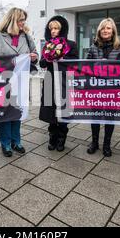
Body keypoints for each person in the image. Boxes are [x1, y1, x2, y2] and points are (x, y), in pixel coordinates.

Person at [0, 7, 38, 157]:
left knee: (17, 112)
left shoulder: (27, 37)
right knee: (4, 114)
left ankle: (17, 142)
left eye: (24, 20)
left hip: (21, 82)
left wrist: (34, 56)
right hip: (3, 82)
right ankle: (6, 144)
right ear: (13, 21)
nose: (23, 23)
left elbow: (35, 53)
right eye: (20, 20)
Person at [87, 18, 120, 157]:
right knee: (95, 116)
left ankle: (107, 145)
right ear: (99, 31)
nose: (105, 31)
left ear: (113, 31)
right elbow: (86, 67)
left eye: (108, 28)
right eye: (103, 28)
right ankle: (94, 143)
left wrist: (111, 66)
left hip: (113, 87)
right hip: (96, 87)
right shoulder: (93, 46)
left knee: (110, 117)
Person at [39, 16, 79, 152]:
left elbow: (75, 62)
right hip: (50, 80)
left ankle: (62, 137)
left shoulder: (71, 44)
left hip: (64, 81)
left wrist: (61, 58)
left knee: (64, 109)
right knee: (51, 109)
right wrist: (49, 58)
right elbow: (41, 63)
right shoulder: (47, 45)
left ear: (62, 29)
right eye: (51, 29)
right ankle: (52, 136)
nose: (53, 31)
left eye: (56, 28)